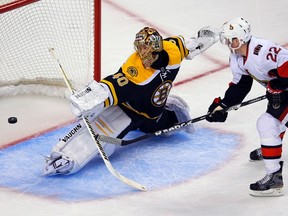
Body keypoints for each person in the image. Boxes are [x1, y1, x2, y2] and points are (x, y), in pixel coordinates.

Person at [44, 26, 219, 176]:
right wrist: (91, 99)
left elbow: (190, 46)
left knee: (159, 124)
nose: (142, 55)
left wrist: (203, 40)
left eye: (146, 50)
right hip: (129, 108)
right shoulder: (135, 69)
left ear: (157, 49)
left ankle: (173, 112)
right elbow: (113, 85)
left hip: (152, 115)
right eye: (140, 49)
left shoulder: (173, 50)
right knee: (104, 135)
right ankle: (69, 158)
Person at [205, 17, 288, 197]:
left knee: (268, 124)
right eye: (226, 39)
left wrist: (280, 85)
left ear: (243, 37)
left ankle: (273, 173)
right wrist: (223, 105)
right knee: (273, 122)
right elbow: (241, 86)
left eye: (232, 38)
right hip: (283, 97)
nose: (229, 42)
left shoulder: (263, 50)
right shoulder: (237, 57)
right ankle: (270, 150)